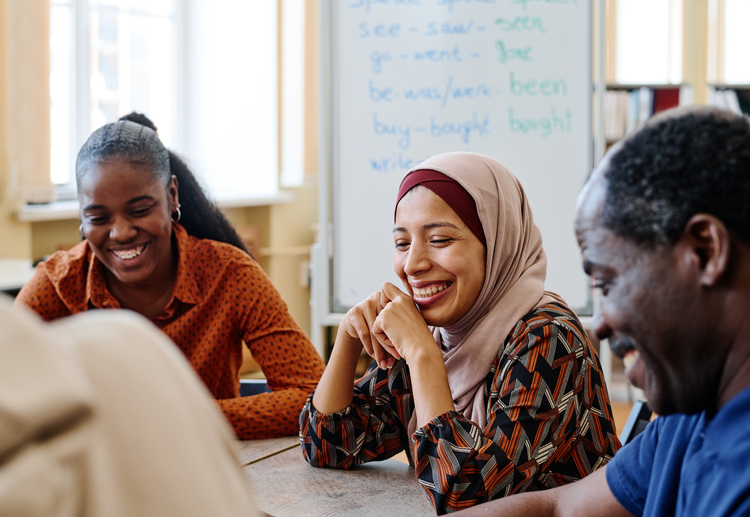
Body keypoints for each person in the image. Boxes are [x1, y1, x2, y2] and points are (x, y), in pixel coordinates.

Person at [451, 106, 750, 517]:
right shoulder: (689, 418)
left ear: (704, 252)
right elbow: (559, 507)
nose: (601, 322)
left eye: (608, 283)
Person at [299, 152, 620, 514]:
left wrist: (423, 357)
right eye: (402, 244)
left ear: (497, 242)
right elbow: (327, 445)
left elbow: (466, 497)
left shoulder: (548, 337)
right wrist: (347, 337)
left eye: (439, 240)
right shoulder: (441, 332)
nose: (413, 265)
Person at [14, 113, 325, 439]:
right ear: (81, 216)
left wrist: (183, 418)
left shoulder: (231, 275)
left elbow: (314, 397)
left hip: (204, 473)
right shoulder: (56, 286)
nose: (120, 232)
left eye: (139, 210)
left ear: (171, 196)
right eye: (98, 217)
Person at [0, 295, 261, 516]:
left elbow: (300, 387)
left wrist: (192, 412)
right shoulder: (126, 333)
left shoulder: (231, 273)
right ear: (83, 232)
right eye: (99, 228)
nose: (121, 233)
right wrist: (184, 412)